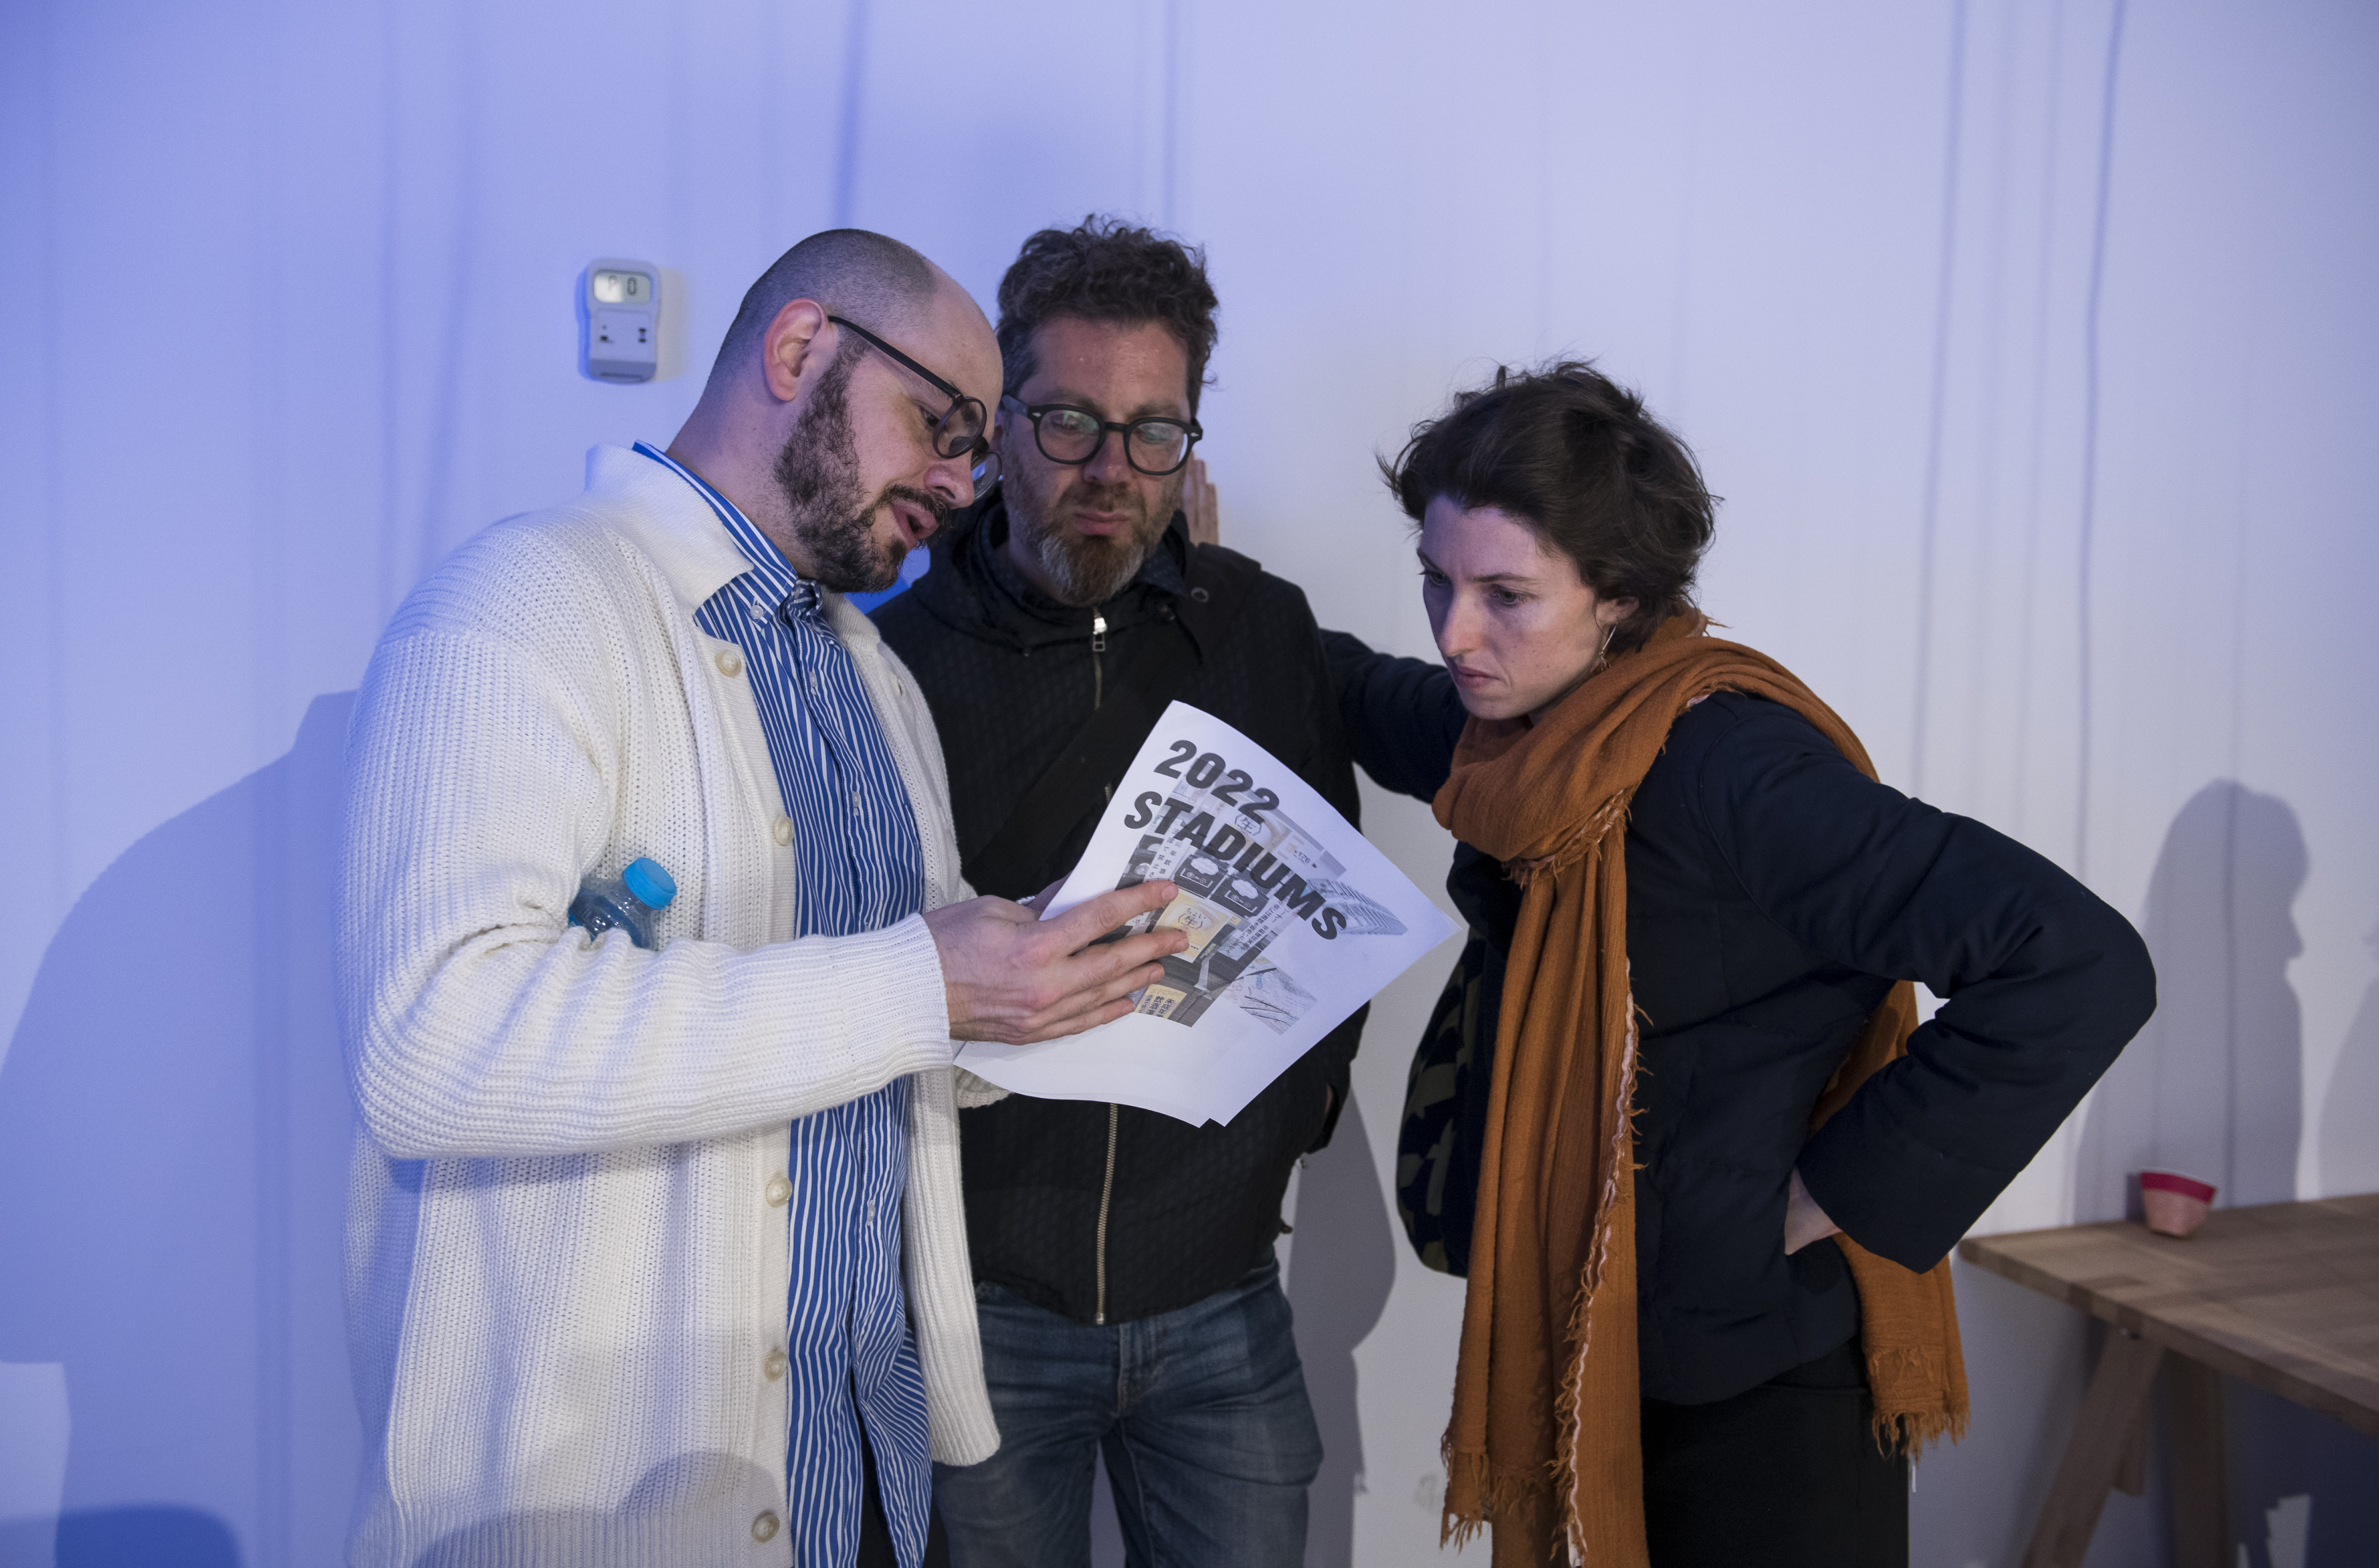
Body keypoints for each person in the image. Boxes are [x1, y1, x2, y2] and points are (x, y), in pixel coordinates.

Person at [334, 228, 1191, 1568]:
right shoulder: (526, 602)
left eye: (977, 448)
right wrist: (925, 979)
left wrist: (1045, 982)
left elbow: (892, 1026)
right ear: (799, 349)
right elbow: (432, 1043)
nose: (961, 482)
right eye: (942, 426)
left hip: (861, 1473)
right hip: (593, 1504)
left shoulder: (873, 678)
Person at [1317, 363, 2156, 1566]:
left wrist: (1833, 1195)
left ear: (1618, 598)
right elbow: (1360, 691)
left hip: (1768, 1389)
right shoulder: (1523, 739)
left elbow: (2077, 961)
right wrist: (1204, 581)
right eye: (1436, 580)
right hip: (1611, 1342)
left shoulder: (1734, 772)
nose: (1454, 632)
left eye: (1507, 594)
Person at [871, 218, 1357, 1567]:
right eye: (1072, 422)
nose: (1112, 471)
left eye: (1155, 433)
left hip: (1218, 1291)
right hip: (981, 1307)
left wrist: (1289, 1128)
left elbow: (1330, 900)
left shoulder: (1254, 625)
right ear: (1000, 424)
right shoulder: (887, 658)